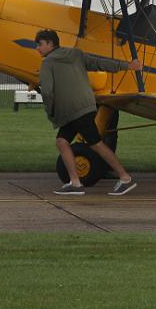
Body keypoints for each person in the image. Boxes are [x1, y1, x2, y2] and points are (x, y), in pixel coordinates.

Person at [35, 29, 142, 196]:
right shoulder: (76, 54)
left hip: (74, 111)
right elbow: (100, 63)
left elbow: (47, 92)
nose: (37, 48)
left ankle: (125, 178)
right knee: (62, 142)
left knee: (96, 144)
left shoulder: (47, 62)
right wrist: (127, 66)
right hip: (85, 108)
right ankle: (75, 183)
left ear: (50, 44)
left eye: (40, 44)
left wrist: (50, 112)